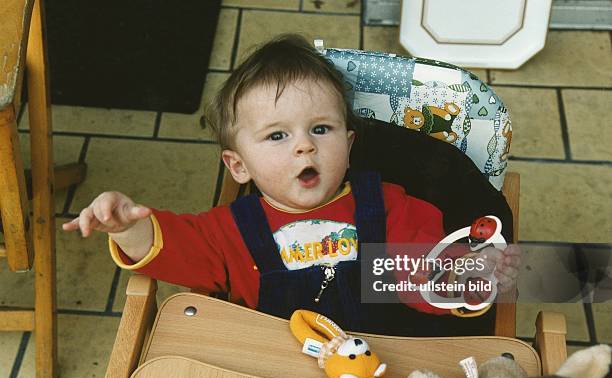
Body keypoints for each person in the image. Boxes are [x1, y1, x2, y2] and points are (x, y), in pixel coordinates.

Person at [63, 34, 520, 336]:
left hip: (375, 369)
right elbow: (178, 248)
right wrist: (126, 226)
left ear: (350, 142)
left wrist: (465, 276)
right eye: (278, 135)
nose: (304, 146)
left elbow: (427, 278)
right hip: (270, 371)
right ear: (237, 165)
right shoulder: (230, 231)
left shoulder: (387, 208)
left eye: (321, 129)